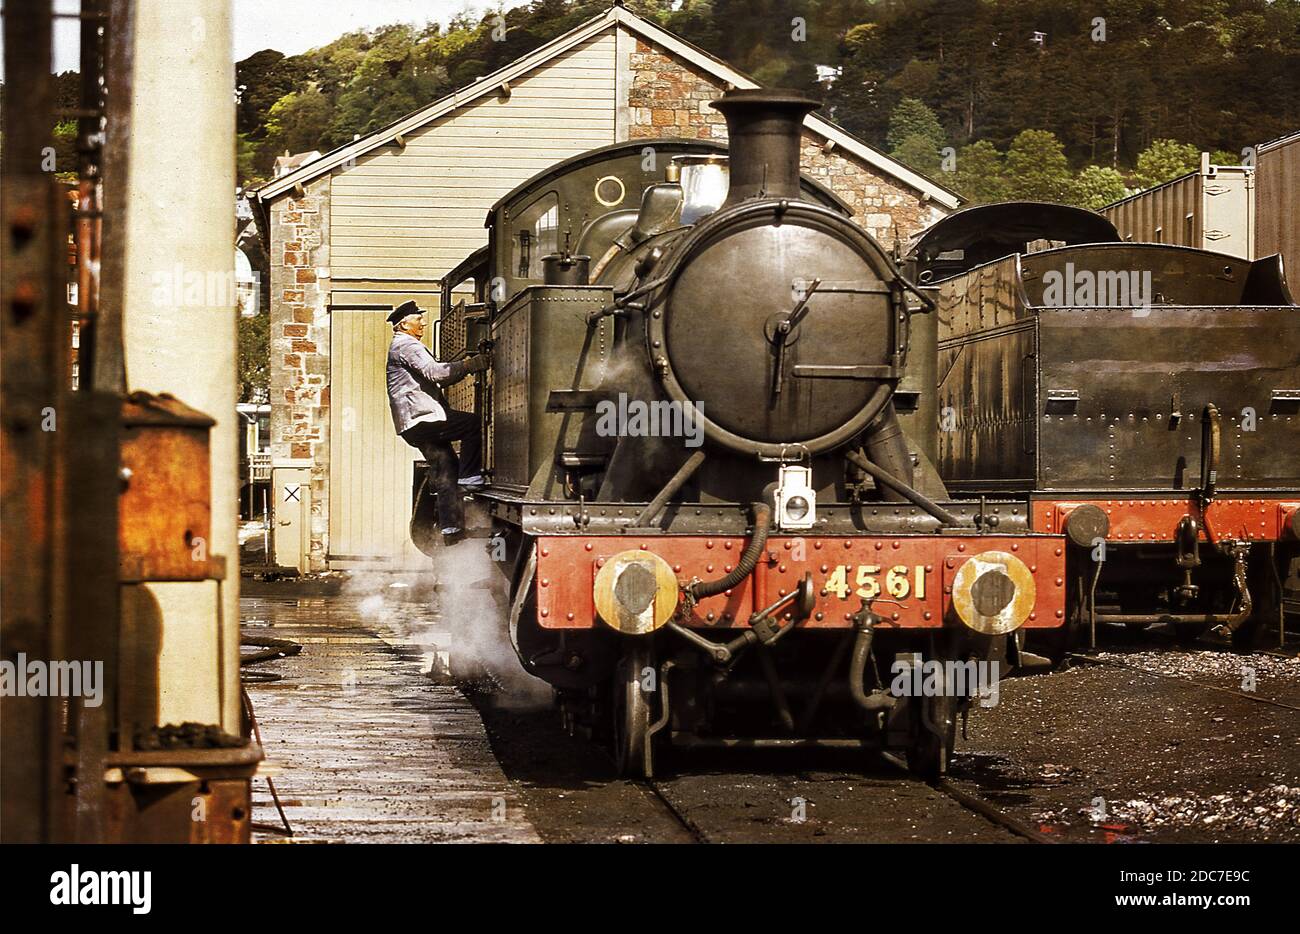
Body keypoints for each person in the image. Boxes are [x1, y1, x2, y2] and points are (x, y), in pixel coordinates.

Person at [385, 300, 489, 542]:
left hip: (410, 425)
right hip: (422, 418)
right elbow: (437, 373)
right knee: (472, 424)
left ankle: (450, 528)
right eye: (418, 319)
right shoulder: (407, 345)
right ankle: (471, 477)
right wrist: (469, 364)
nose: (422, 322)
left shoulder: (399, 346)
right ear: (404, 324)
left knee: (445, 469)